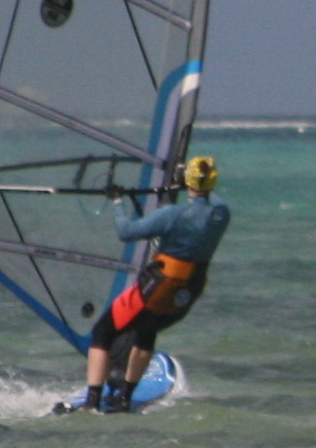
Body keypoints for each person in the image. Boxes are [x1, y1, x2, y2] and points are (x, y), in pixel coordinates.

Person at [76, 153, 231, 410]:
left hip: (156, 291)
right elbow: (209, 200)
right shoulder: (221, 215)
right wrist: (196, 187)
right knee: (146, 332)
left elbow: (127, 232)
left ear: (186, 180)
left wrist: (117, 202)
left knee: (103, 332)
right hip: (186, 295)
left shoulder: (172, 214)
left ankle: (92, 401)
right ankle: (126, 398)